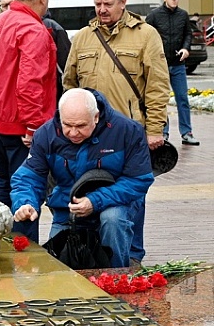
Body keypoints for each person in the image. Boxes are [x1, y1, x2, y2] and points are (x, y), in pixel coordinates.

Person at [63, 0, 170, 264]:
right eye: (97, 4)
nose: (101, 9)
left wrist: (155, 128)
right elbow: (69, 83)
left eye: (107, 4)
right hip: (91, 134)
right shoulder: (84, 37)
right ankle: (104, 253)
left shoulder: (146, 35)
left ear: (123, 3)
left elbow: (159, 85)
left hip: (131, 134)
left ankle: (132, 257)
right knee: (92, 189)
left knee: (132, 194)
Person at [11, 88, 154, 267]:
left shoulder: (128, 130)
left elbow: (138, 180)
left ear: (96, 117)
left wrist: (95, 201)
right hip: (68, 209)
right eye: (67, 125)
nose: (72, 133)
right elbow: (29, 177)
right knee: (58, 266)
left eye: (80, 126)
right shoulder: (46, 134)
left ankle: (116, 275)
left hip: (115, 203)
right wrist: (26, 203)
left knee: (112, 219)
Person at [0, 0, 57, 243]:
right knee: (27, 187)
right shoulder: (33, 30)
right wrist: (34, 126)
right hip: (19, 125)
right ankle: (23, 249)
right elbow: (30, 83)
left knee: (3, 180)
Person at [146, 0, 200, 146]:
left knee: (182, 98)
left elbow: (188, 34)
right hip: (159, 65)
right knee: (161, 100)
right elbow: (145, 36)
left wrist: (186, 48)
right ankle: (163, 133)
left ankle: (187, 133)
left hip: (178, 64)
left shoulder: (183, 15)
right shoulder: (154, 16)